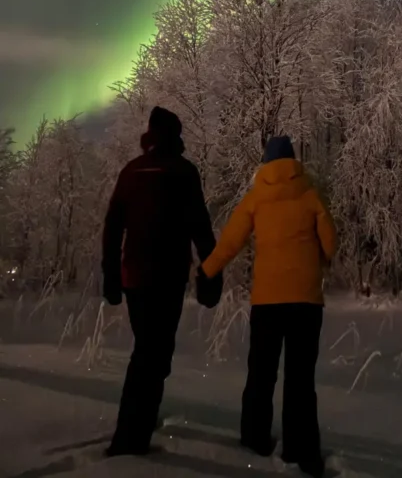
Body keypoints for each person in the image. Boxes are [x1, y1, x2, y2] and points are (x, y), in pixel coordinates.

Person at [199, 134, 337, 478]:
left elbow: (230, 241)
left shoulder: (256, 198)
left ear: (266, 163)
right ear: (293, 163)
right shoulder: (310, 194)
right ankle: (300, 449)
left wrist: (207, 270)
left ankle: (254, 437)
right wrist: (318, 257)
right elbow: (331, 244)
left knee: (261, 372)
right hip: (305, 302)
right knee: (300, 379)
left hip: (267, 302)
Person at [102, 106, 222, 457]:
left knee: (149, 350)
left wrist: (110, 274)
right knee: (153, 354)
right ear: (176, 135)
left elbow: (112, 227)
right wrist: (210, 271)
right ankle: (130, 437)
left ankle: (138, 421)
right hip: (168, 279)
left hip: (134, 279)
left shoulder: (131, 172)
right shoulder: (185, 172)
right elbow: (200, 225)